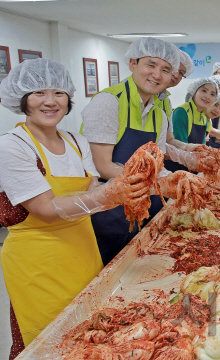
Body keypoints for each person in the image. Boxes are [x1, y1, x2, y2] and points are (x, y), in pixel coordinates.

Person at [0, 59, 152, 356]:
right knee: (52, 342)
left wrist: (129, 188)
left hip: (83, 250)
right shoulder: (13, 145)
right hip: (38, 260)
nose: (50, 101)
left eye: (58, 93)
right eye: (38, 93)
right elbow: (45, 207)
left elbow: (92, 188)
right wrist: (111, 194)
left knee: (90, 333)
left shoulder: (75, 141)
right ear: (22, 100)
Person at [81, 37, 193, 266]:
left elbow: (157, 165)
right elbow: (102, 165)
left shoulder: (158, 115)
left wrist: (179, 180)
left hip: (143, 209)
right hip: (107, 211)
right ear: (133, 63)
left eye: (165, 70)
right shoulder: (108, 102)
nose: (157, 75)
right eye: (150, 65)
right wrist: (158, 186)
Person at [172, 77, 220, 147]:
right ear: (194, 92)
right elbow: (178, 147)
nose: (207, 97)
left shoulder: (204, 118)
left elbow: (202, 146)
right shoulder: (181, 112)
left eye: (212, 94)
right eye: (204, 91)